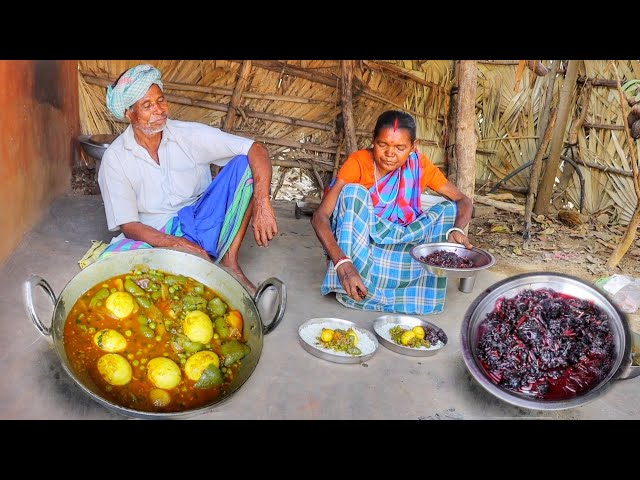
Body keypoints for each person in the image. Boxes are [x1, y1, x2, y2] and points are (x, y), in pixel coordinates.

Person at [97, 64, 278, 294]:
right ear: (128, 113)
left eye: (161, 100)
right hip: (155, 236)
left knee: (245, 164)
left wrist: (263, 203)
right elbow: (130, 225)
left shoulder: (189, 135)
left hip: (201, 222)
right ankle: (192, 265)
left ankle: (229, 263)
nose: (159, 110)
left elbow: (256, 149)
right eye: (147, 105)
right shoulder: (116, 158)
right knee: (118, 272)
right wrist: (178, 244)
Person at [311, 110, 473, 315]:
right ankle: (355, 281)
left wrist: (457, 228)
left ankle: (412, 293)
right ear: (373, 141)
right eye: (382, 144)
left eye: (400, 147)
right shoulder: (359, 162)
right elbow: (320, 217)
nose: (389, 154)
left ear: (414, 147)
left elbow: (463, 200)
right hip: (364, 246)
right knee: (352, 193)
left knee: (448, 208)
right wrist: (342, 263)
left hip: (403, 245)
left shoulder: (420, 165)